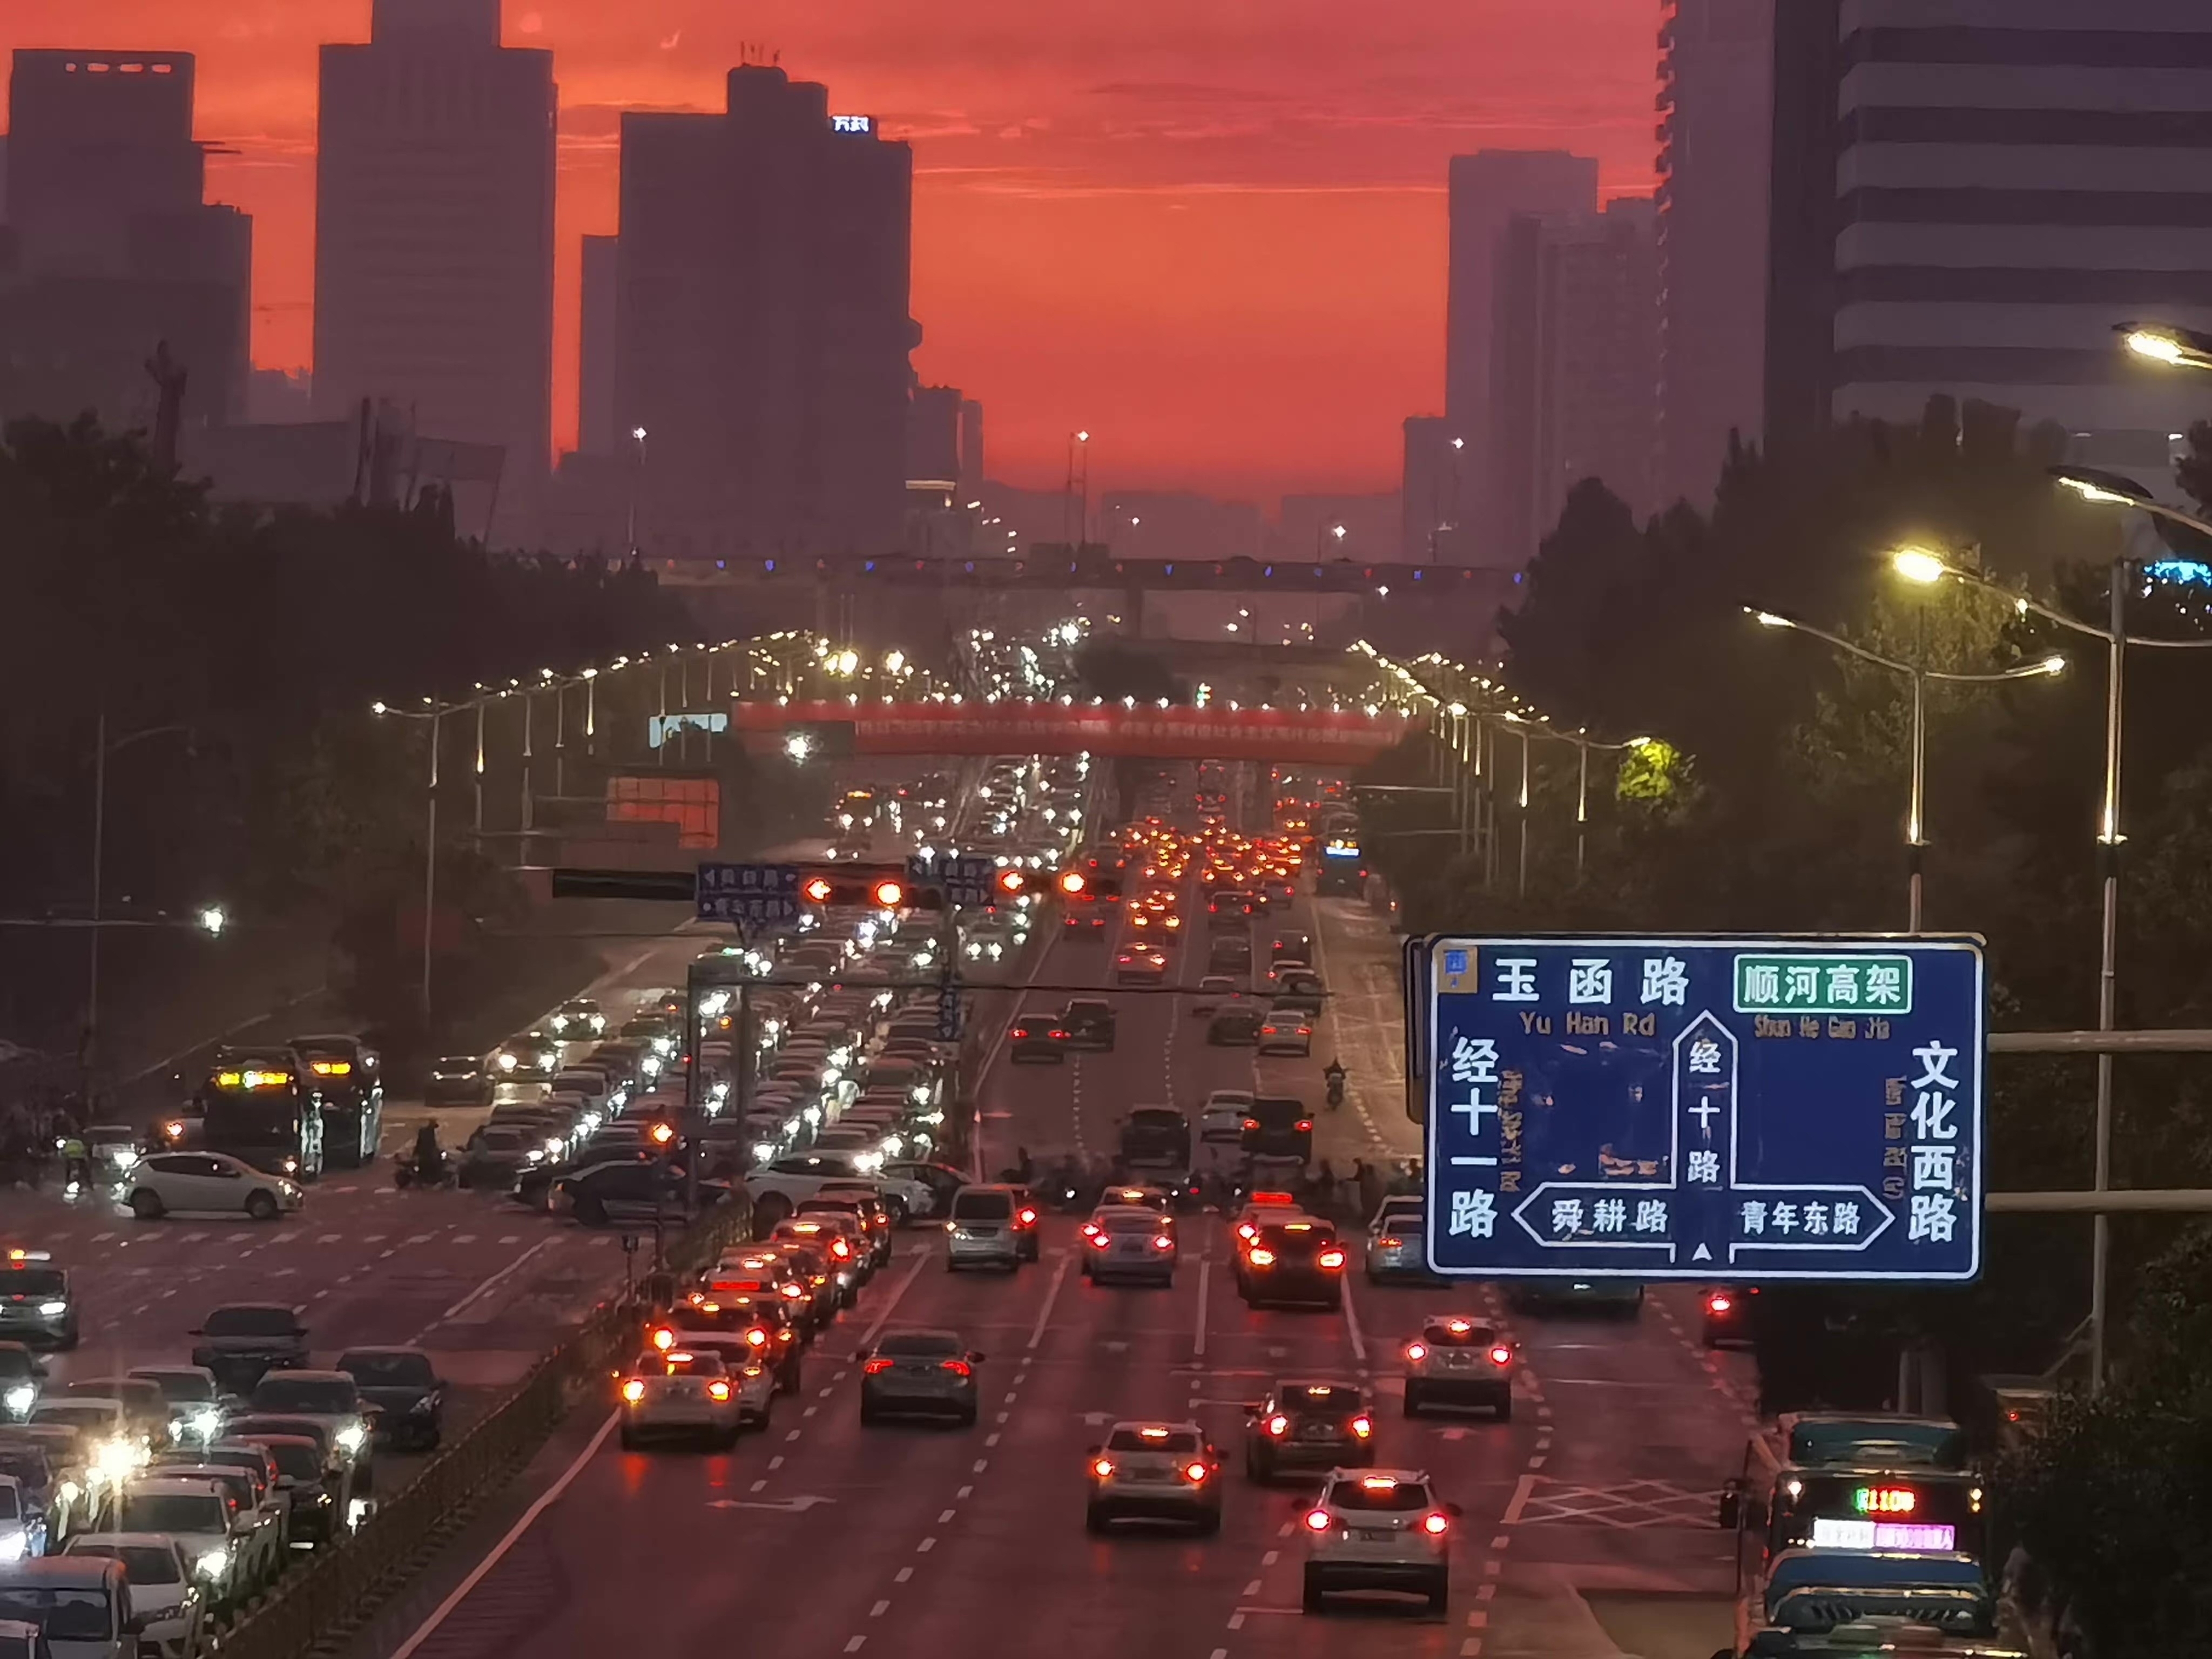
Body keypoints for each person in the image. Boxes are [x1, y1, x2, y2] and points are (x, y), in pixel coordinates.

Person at [412, 1118, 445, 1184]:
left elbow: (419, 1143)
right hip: (427, 1154)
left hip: (425, 1153)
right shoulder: (428, 1133)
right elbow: (432, 1145)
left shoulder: (424, 1131)